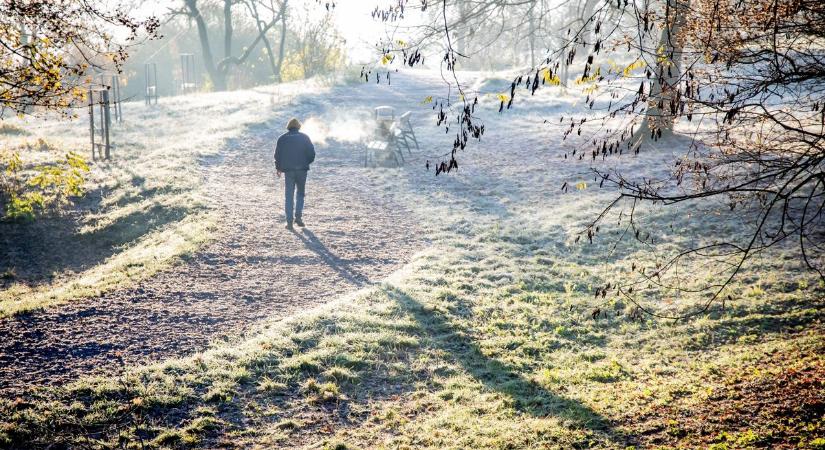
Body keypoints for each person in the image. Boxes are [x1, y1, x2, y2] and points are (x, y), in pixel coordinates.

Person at [274, 117, 315, 230]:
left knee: (289, 196)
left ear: (288, 127)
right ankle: (299, 217)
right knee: (300, 193)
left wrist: (278, 168)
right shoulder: (305, 137)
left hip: (288, 171)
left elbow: (277, 155)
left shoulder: (282, 138)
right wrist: (306, 162)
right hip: (302, 170)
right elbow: (312, 153)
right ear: (298, 127)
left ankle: (289, 222)